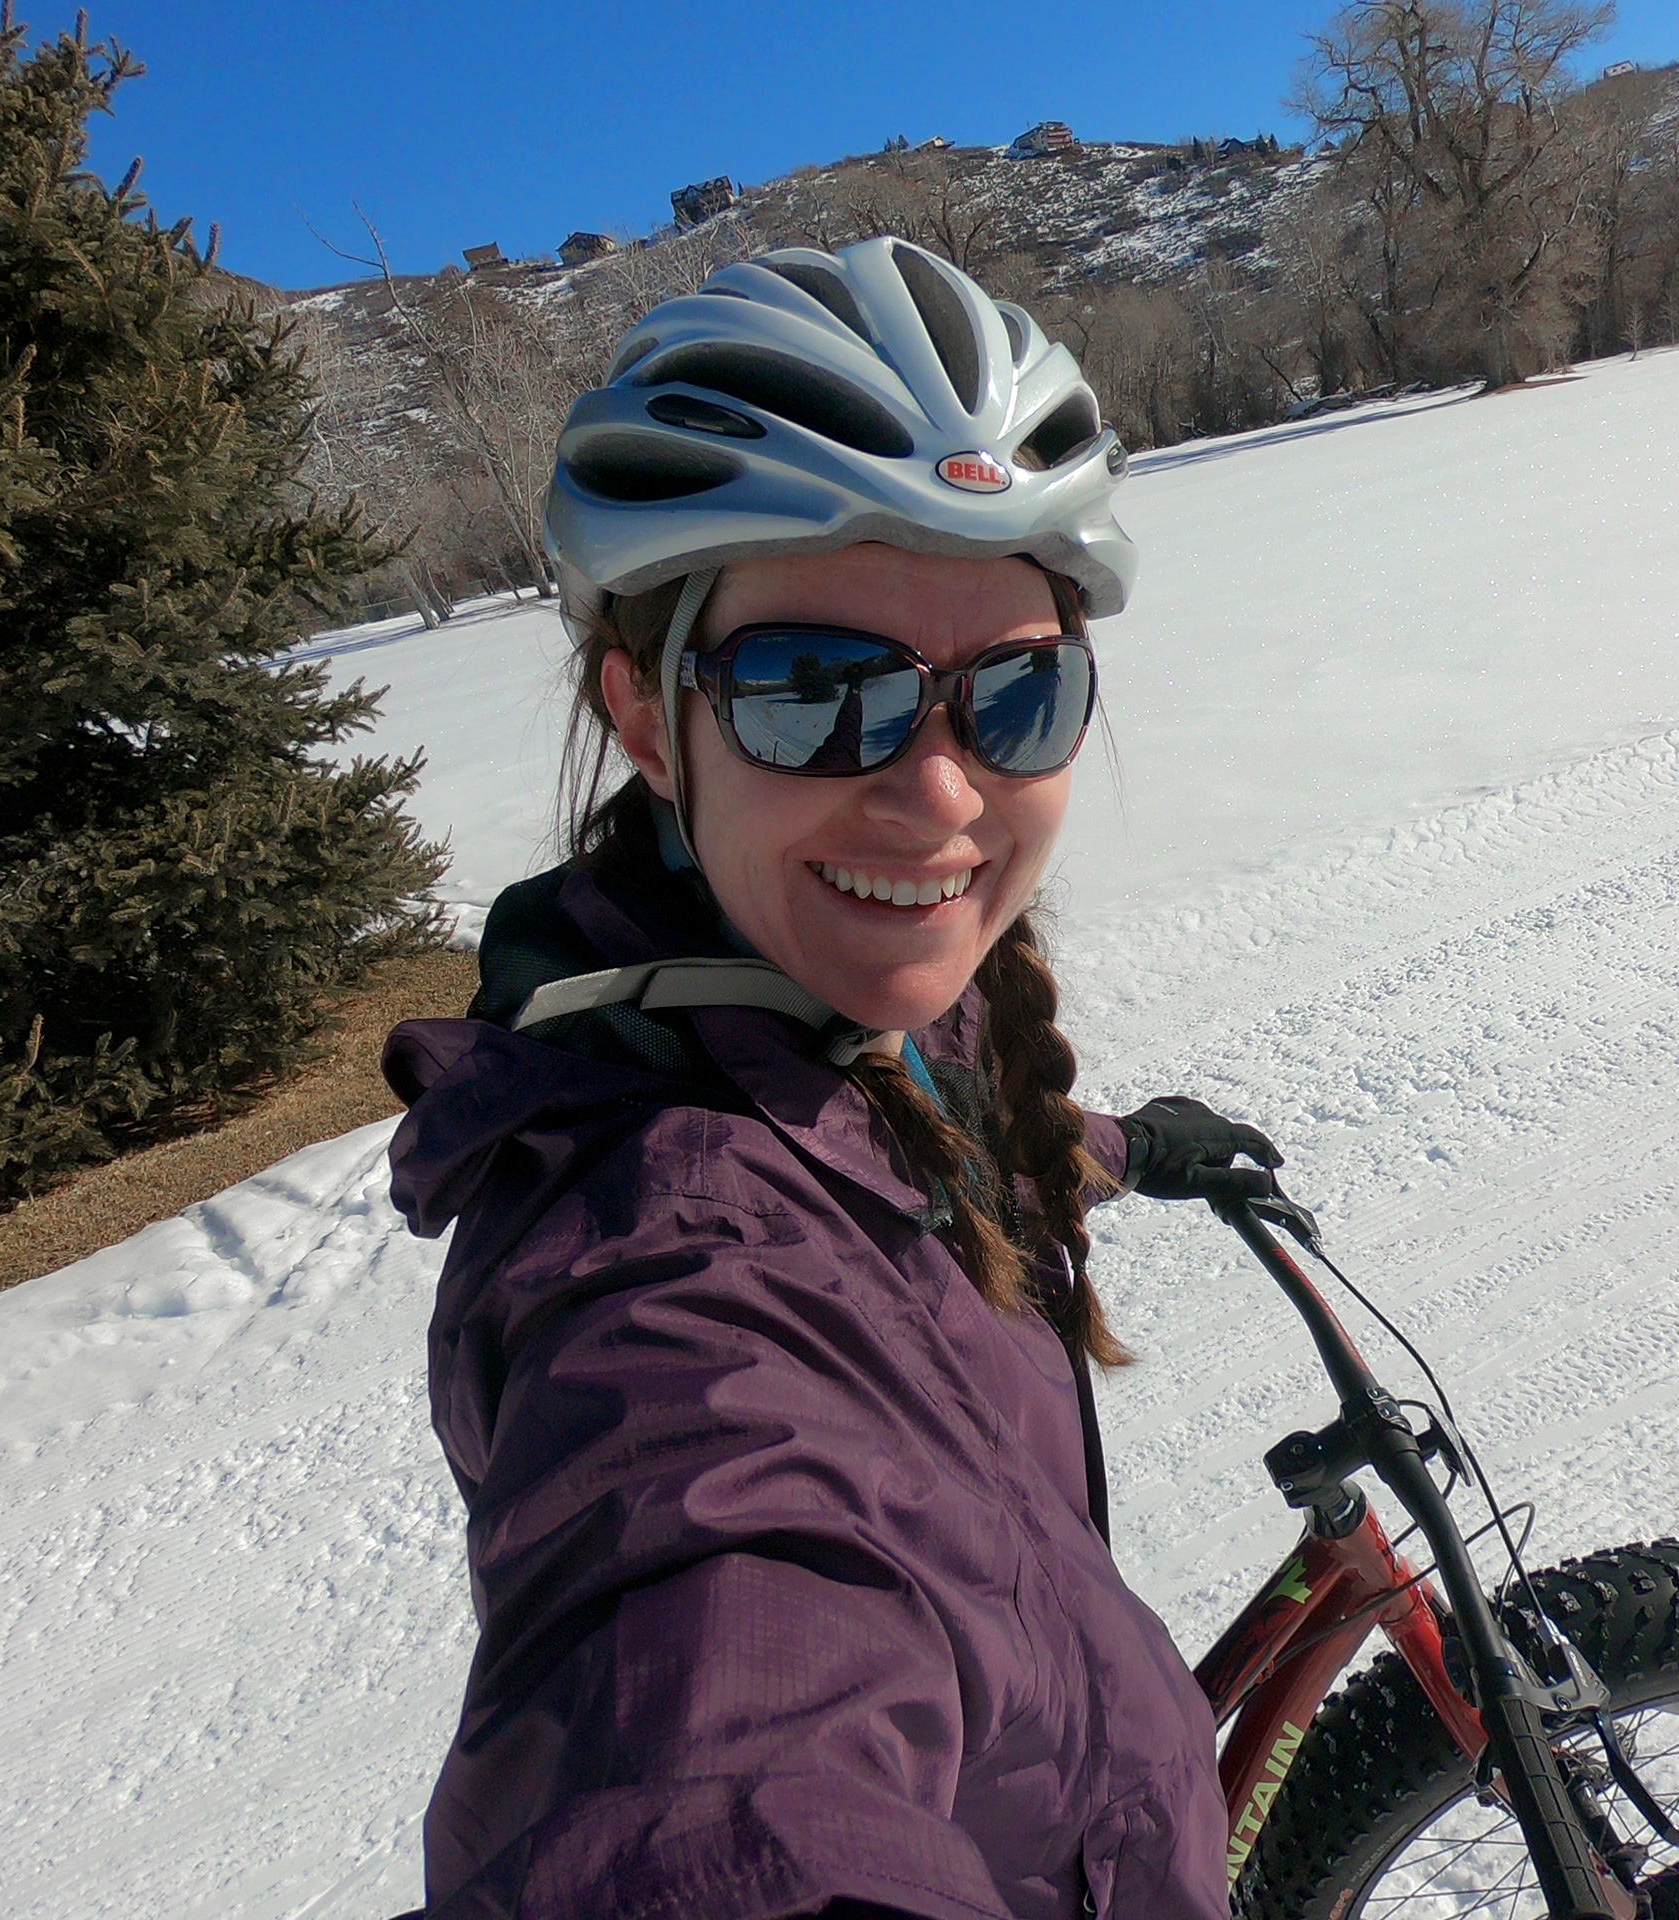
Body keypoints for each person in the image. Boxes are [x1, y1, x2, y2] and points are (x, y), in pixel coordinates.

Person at [382, 236, 1282, 1920]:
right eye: (816, 692)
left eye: (1016, 693)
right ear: (651, 721)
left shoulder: (817, 989)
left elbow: (920, 1106)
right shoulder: (669, 1277)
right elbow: (712, 1767)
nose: (941, 794)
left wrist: (1104, 1144)